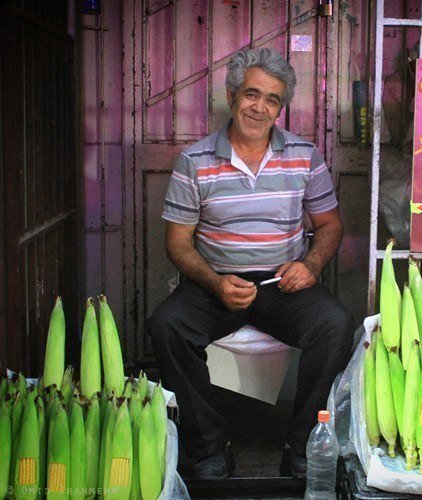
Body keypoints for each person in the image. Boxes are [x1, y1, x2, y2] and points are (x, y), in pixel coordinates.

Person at [148, 47, 354, 480]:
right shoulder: (195, 160)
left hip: (284, 283)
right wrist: (215, 281)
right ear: (232, 95)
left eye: (272, 99)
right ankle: (208, 449)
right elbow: (178, 244)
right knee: (167, 325)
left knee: (335, 324)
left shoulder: (304, 154)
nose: (259, 107)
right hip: (215, 283)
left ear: (281, 107)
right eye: (251, 94)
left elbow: (330, 224)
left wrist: (311, 265)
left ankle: (301, 446)